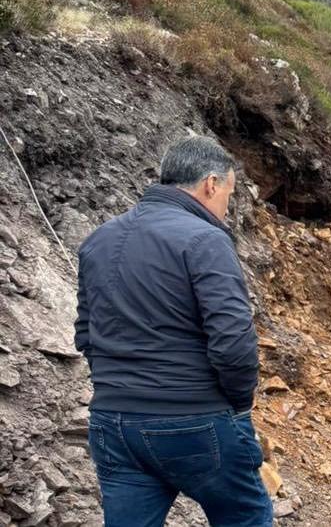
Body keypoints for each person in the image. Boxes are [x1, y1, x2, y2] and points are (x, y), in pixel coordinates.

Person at [75, 135, 271, 526]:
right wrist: (237, 404)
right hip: (195, 418)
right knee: (245, 518)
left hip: (114, 424)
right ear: (211, 184)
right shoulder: (206, 239)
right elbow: (233, 341)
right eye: (228, 198)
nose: (225, 211)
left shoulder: (98, 240)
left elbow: (85, 333)